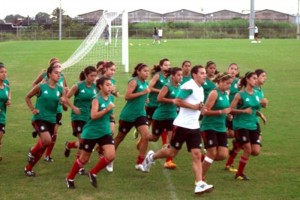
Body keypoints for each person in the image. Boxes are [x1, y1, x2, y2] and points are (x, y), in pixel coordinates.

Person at [142, 65, 214, 195]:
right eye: (202, 73)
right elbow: (177, 101)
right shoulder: (188, 86)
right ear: (194, 75)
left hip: (194, 127)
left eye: (205, 73)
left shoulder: (201, 88)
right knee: (171, 153)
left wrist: (202, 110)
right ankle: (151, 156)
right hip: (181, 126)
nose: (205, 75)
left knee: (197, 155)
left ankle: (199, 183)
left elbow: (198, 106)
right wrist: (194, 107)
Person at [24, 64, 79, 177]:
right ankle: (32, 151)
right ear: (49, 74)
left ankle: (28, 168)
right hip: (39, 118)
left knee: (44, 145)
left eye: (60, 73)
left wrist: (65, 104)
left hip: (51, 120)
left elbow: (64, 107)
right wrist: (33, 109)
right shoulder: (41, 87)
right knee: (47, 140)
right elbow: (27, 97)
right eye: (56, 73)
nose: (59, 75)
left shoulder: (60, 89)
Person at [65, 76, 115, 189]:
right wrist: (106, 110)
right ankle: (69, 178)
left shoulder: (111, 98)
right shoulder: (96, 99)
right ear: (100, 87)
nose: (110, 87)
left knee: (111, 155)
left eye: (110, 84)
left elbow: (110, 114)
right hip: (91, 133)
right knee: (84, 159)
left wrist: (111, 116)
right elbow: (93, 115)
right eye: (107, 85)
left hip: (104, 131)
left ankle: (93, 172)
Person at [228, 71, 267, 180]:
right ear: (248, 80)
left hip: (253, 125)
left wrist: (262, 109)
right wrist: (243, 111)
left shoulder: (256, 94)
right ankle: (239, 174)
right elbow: (230, 110)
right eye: (254, 78)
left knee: (255, 151)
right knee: (248, 149)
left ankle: (237, 143)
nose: (256, 80)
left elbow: (255, 108)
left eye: (256, 78)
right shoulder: (240, 95)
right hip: (241, 125)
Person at [113, 63, 150, 171]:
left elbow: (143, 97)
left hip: (140, 114)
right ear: (138, 72)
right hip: (128, 115)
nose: (147, 73)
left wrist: (145, 98)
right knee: (120, 137)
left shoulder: (145, 83)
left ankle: (140, 162)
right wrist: (143, 92)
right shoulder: (134, 81)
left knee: (146, 136)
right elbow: (127, 96)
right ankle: (108, 158)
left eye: (148, 71)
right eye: (144, 71)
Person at [32, 59, 69, 162]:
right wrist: (39, 95)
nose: (59, 71)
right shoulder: (45, 76)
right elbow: (34, 85)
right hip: (45, 111)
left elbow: (66, 87)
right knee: (47, 137)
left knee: (53, 134)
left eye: (60, 67)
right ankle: (35, 152)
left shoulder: (61, 77)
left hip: (57, 110)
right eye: (57, 67)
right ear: (51, 70)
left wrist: (66, 92)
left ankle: (47, 155)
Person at [64, 66, 97, 175]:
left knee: (83, 141)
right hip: (77, 117)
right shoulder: (77, 86)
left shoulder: (95, 87)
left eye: (95, 76)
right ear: (86, 75)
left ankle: (69, 145)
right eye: (91, 76)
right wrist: (74, 108)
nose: (93, 78)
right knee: (83, 141)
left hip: (89, 118)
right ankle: (80, 166)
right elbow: (65, 98)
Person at [147, 67, 182, 169]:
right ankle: (144, 138)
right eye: (178, 75)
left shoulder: (179, 87)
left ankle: (168, 161)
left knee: (172, 142)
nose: (180, 77)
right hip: (161, 116)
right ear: (172, 76)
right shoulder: (167, 86)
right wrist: (172, 101)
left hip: (173, 117)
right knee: (154, 138)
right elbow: (159, 98)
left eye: (181, 75)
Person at [200, 72, 233, 181]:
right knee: (212, 153)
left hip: (221, 128)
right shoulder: (214, 93)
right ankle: (200, 179)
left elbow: (224, 109)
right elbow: (205, 112)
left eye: (230, 84)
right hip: (209, 127)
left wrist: (227, 116)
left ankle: (202, 159)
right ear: (221, 82)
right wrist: (221, 112)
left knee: (223, 155)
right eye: (228, 83)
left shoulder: (225, 93)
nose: (230, 86)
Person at [94, 61, 118, 172]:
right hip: (100, 109)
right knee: (100, 134)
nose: (113, 72)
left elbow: (110, 92)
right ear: (106, 69)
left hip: (109, 109)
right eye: (111, 69)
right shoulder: (99, 80)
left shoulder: (113, 81)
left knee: (111, 132)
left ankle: (104, 154)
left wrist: (115, 93)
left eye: (114, 70)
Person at [0, 62, 11, 161]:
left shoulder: (6, 86)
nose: (4, 74)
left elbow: (8, 93)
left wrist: (8, 100)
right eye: (1, 72)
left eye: (5, 72)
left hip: (2, 116)